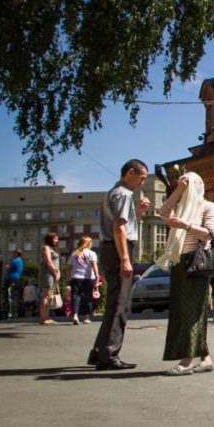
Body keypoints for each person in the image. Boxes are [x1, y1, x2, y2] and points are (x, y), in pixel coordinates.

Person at [87, 159, 151, 370]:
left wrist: (138, 212)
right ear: (130, 172)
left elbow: (124, 223)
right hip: (118, 249)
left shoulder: (113, 192)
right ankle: (109, 356)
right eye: (141, 178)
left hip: (108, 249)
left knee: (114, 303)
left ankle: (99, 352)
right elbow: (119, 228)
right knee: (120, 306)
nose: (142, 183)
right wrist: (125, 258)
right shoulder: (124, 194)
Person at [157, 172, 214, 375]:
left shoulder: (208, 206)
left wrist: (186, 225)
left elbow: (209, 233)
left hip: (196, 261)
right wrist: (178, 190)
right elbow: (163, 213)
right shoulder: (181, 206)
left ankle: (186, 361)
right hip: (179, 261)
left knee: (192, 312)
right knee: (186, 311)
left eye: (189, 182)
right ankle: (205, 358)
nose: (186, 185)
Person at [66, 237, 100, 325]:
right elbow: (94, 265)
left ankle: (75, 315)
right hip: (89, 278)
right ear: (89, 244)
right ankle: (86, 317)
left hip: (76, 277)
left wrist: (68, 277)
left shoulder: (75, 253)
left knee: (75, 296)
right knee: (87, 297)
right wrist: (97, 275)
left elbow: (69, 267)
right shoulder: (91, 253)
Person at [38, 232, 62, 325]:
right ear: (50, 239)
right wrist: (55, 272)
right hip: (47, 274)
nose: (57, 240)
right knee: (46, 295)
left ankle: (47, 317)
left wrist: (58, 272)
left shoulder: (53, 249)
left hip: (53, 274)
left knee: (50, 295)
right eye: (55, 238)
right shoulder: (46, 247)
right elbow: (48, 261)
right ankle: (43, 318)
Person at [2, 249, 24, 319]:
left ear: (17, 254)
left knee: (10, 296)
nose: (12, 254)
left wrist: (4, 266)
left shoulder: (15, 261)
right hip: (16, 280)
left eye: (14, 253)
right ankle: (14, 312)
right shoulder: (20, 261)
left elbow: (6, 268)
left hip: (12, 280)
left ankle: (11, 313)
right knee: (14, 296)